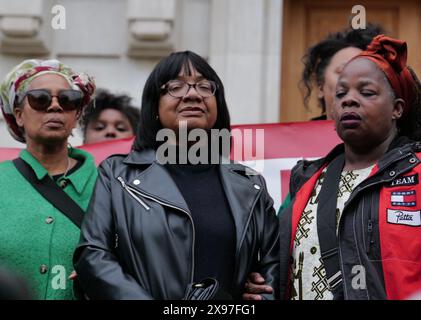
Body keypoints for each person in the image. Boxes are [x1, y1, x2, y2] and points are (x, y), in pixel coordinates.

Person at [73, 50, 280, 300]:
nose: (193, 94)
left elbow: (272, 270)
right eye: (175, 86)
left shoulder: (250, 184)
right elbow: (93, 254)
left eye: (205, 86)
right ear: (155, 107)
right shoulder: (117, 176)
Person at [257, 35, 421, 300]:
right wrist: (261, 283)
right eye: (341, 93)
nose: (349, 100)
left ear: (397, 109)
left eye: (366, 92)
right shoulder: (306, 182)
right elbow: (273, 263)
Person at [0, 59, 96, 299]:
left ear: (76, 116)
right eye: (40, 99)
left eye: (67, 100)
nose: (55, 107)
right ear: (19, 115)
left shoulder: (109, 186)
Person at [301, 24, 384, 120]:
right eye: (343, 71)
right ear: (321, 88)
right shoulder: (301, 135)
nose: (354, 78)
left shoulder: (394, 134)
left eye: (364, 73)